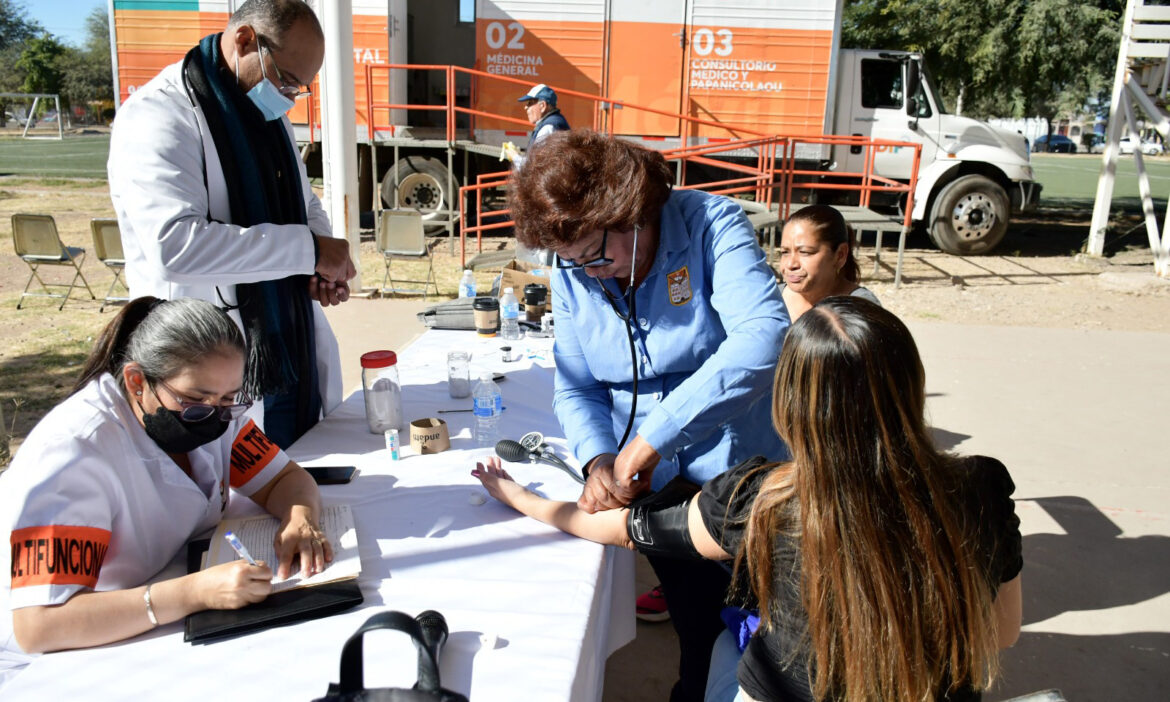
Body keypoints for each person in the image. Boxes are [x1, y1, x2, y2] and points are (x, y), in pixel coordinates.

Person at [474, 296, 1023, 702]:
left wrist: (520, 495)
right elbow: (1001, 633)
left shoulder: (761, 500)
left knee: (721, 647)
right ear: (912, 384)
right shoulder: (982, 486)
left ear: (788, 403)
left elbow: (617, 526)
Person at [508, 128, 790, 702]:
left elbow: (764, 338)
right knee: (698, 631)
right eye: (570, 263)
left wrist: (651, 438)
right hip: (657, 490)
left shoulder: (713, 225)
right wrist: (599, 459)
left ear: (631, 213)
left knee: (770, 640)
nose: (588, 274)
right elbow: (577, 383)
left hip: (747, 480)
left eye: (594, 256)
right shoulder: (574, 270)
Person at [0, 297, 333, 684]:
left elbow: (284, 479)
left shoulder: (216, 415)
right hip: (59, 665)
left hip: (157, 618)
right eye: (194, 402)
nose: (214, 415)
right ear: (137, 382)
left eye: (229, 399)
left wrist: (300, 519)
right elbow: (39, 625)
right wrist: (193, 593)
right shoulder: (74, 455)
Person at [107, 0, 355, 449]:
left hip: (284, 344)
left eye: (302, 88)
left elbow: (302, 202)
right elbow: (175, 247)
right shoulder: (160, 115)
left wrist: (321, 264)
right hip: (205, 366)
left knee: (297, 477)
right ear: (245, 41)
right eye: (288, 80)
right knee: (227, 502)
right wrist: (309, 251)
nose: (290, 96)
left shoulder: (266, 113)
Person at [778, 204, 880, 321]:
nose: (791, 264)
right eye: (785, 252)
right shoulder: (767, 299)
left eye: (805, 252)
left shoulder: (862, 311)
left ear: (840, 255)